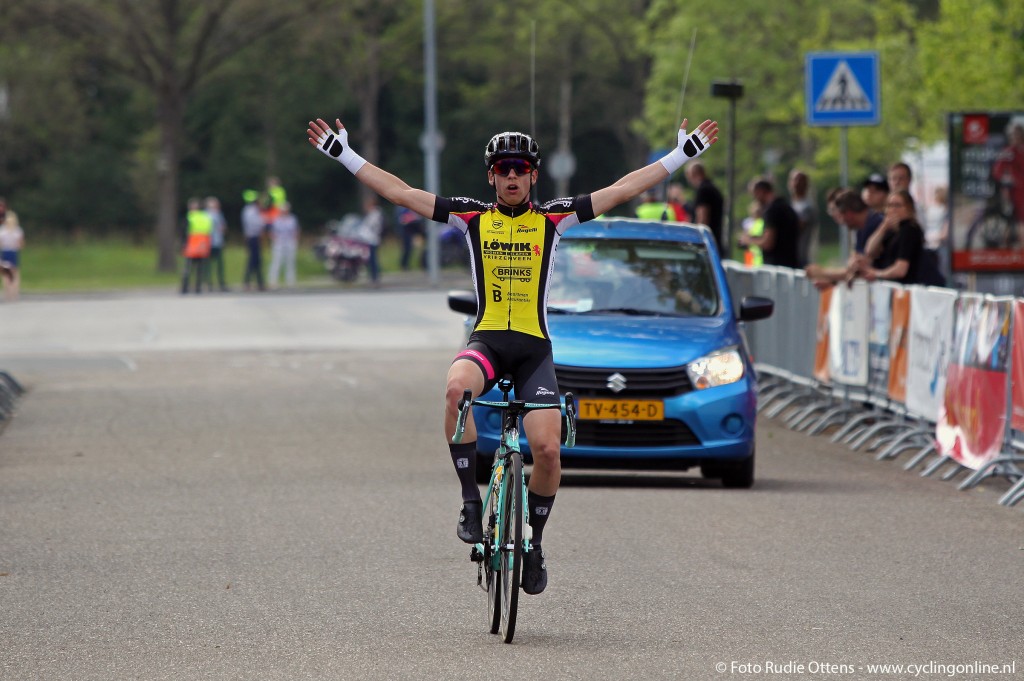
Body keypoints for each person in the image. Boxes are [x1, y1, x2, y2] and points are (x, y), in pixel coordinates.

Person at [307, 114, 718, 594]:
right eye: (502, 169)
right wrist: (345, 155)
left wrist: (679, 157)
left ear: (533, 175)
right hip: (487, 343)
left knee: (546, 449)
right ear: (491, 176)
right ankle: (469, 501)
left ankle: (535, 545)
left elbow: (622, 189)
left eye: (520, 168)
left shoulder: (554, 220)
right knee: (456, 389)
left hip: (533, 351)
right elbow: (401, 193)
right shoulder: (471, 218)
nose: (511, 176)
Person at [805, 189, 884, 289]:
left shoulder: (875, 224)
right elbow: (854, 269)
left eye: (838, 213)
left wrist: (824, 273)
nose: (839, 220)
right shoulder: (861, 229)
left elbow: (863, 268)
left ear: (848, 214)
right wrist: (833, 281)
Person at [856, 189, 925, 285]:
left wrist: (876, 273)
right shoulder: (889, 230)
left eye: (897, 205)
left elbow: (901, 269)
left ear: (909, 208)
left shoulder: (909, 229)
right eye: (889, 205)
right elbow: (869, 251)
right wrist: (883, 227)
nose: (892, 210)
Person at [739, 178, 800, 268]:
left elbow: (768, 243)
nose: (755, 199)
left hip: (776, 267)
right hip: (791, 264)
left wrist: (748, 240)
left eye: (754, 195)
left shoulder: (772, 210)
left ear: (761, 191)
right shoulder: (787, 207)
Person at [684, 161, 724, 252]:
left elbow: (702, 218)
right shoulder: (713, 188)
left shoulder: (703, 190)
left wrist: (697, 240)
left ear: (693, 175)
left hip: (707, 245)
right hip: (715, 241)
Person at [180, 197, 213, 294]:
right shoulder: (205, 217)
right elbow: (209, 231)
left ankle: (185, 287)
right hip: (202, 246)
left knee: (188, 268)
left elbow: (184, 233)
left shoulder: (189, 217)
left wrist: (183, 244)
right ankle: (198, 288)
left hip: (191, 246)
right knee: (199, 268)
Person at [787, 169, 818, 268]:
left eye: (800, 181)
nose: (797, 184)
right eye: (794, 180)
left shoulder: (807, 207)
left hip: (800, 259)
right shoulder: (791, 206)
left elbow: (795, 228)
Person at [267, 201, 299, 289]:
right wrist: (275, 240)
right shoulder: (276, 220)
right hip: (279, 243)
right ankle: (273, 282)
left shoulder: (292, 219)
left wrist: (294, 240)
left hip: (289, 242)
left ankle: (290, 282)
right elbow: (271, 232)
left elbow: (296, 230)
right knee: (276, 262)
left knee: (290, 262)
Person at [241, 189, 267, 291]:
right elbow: (257, 223)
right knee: (253, 260)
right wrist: (264, 222)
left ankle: (259, 282)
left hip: (253, 237)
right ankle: (249, 282)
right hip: (253, 237)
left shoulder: (248, 210)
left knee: (256, 261)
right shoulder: (251, 210)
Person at [0, 198, 24, 301]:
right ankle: (15, 293)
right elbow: (20, 244)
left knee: (6, 274)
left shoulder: (2, 231)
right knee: (15, 273)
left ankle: (7, 293)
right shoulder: (18, 230)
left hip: (5, 252)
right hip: (14, 252)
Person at [204, 196, 230, 292]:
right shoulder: (205, 214)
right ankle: (208, 283)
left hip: (218, 242)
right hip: (208, 243)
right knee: (208, 265)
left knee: (219, 265)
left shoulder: (218, 214)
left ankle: (221, 283)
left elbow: (223, 227)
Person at [358, 195, 384, 286]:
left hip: (372, 239)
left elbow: (371, 227)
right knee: (371, 259)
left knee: (373, 259)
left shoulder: (375, 214)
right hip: (370, 239)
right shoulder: (372, 214)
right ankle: (373, 276)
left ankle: (375, 277)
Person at [397, 206, 425, 271]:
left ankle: (420, 264)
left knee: (415, 249)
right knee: (407, 249)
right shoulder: (403, 209)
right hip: (407, 231)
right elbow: (402, 220)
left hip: (415, 231)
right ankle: (404, 265)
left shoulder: (415, 207)